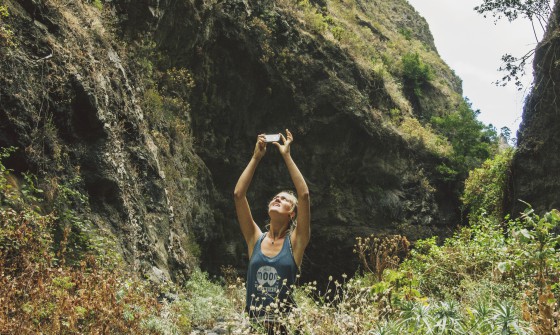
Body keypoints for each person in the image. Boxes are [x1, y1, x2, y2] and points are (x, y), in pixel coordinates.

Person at [233, 129, 310, 334]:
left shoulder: (296, 242)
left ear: (292, 214)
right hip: (254, 327)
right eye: (276, 197)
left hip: (286, 329)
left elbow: (304, 195)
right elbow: (238, 195)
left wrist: (287, 156)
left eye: (284, 200)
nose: (278, 199)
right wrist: (256, 157)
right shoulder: (254, 239)